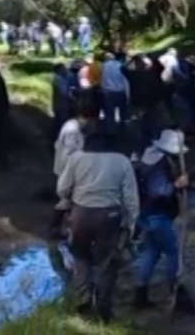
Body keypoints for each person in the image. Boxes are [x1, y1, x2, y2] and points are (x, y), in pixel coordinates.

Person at [57, 126, 140, 322]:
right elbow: (131, 198)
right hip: (110, 217)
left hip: (81, 214)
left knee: (80, 257)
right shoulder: (122, 161)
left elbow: (62, 189)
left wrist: (72, 199)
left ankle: (83, 304)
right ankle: (104, 310)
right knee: (107, 263)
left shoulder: (76, 159)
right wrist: (131, 223)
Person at [133, 129, 190, 309]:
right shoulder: (160, 164)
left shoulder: (148, 158)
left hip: (146, 214)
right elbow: (161, 191)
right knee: (173, 252)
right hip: (158, 215)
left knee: (152, 252)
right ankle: (176, 291)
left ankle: (140, 293)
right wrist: (177, 184)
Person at [101, 52, 131, 134]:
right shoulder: (122, 66)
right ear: (122, 58)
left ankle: (111, 134)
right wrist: (128, 96)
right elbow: (126, 82)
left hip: (108, 93)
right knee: (123, 114)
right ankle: (122, 130)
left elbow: (102, 78)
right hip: (120, 93)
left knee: (110, 115)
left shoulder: (105, 65)